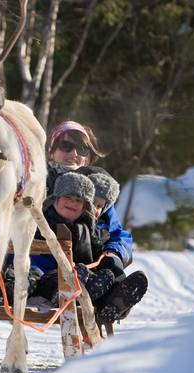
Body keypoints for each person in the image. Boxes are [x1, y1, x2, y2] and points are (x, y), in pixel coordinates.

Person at [46, 121, 146, 324]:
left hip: (90, 266)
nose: (74, 153)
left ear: (89, 156)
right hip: (45, 266)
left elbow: (118, 234)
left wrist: (114, 254)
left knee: (110, 272)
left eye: (82, 148)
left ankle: (113, 302)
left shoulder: (99, 189)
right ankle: (104, 301)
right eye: (66, 146)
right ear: (51, 151)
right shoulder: (39, 183)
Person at [0, 172, 115, 307]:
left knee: (102, 275)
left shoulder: (87, 232)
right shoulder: (36, 219)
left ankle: (106, 302)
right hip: (26, 270)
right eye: (68, 197)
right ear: (56, 199)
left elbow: (93, 257)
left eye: (78, 200)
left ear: (84, 207)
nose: (72, 203)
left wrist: (107, 255)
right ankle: (4, 294)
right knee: (25, 279)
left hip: (59, 278)